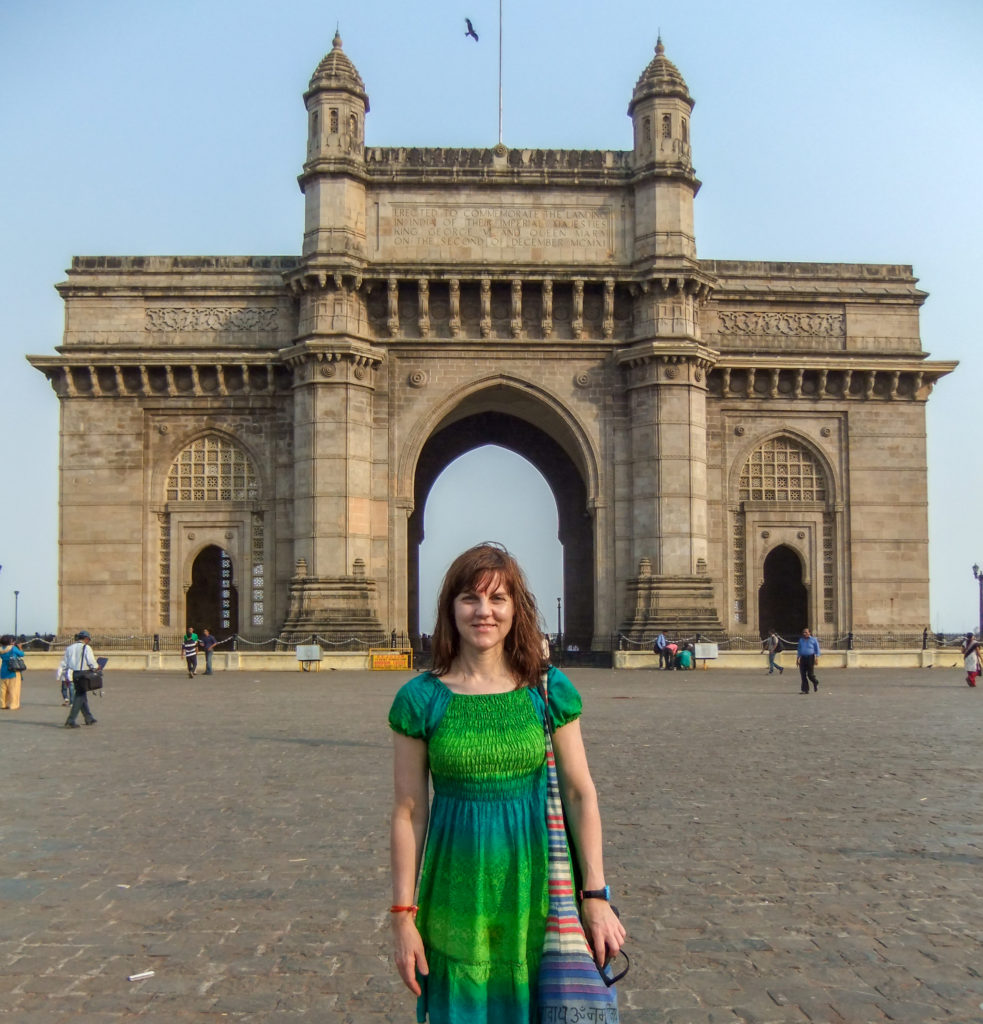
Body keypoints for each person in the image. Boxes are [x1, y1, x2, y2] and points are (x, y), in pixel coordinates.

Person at [389, 542, 625, 1023]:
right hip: (454, 897)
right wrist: (402, 916)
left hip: (537, 894)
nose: (484, 612)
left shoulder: (548, 689)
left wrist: (596, 897)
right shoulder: (419, 699)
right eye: (470, 599)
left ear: (516, 609)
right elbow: (409, 811)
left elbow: (581, 793)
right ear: (450, 608)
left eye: (497, 599)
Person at [59, 630, 100, 727]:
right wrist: (97, 667)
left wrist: (64, 674)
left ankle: (88, 717)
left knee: (82, 695)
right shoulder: (86, 647)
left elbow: (65, 663)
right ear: (86, 639)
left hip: (74, 673)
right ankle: (70, 720)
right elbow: (91, 662)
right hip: (83, 674)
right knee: (79, 696)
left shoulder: (69, 648)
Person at [0, 634, 25, 710]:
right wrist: (20, 648)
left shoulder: (1, 649)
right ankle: (13, 704)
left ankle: (2, 704)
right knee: (13, 689)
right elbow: (22, 654)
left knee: (2, 690)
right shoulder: (13, 649)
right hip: (12, 671)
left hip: (3, 671)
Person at [796, 627, 821, 694]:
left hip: (810, 657)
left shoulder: (813, 640)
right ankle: (805, 689)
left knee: (810, 674)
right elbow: (799, 649)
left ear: (809, 633)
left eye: (806, 632)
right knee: (803, 674)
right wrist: (798, 658)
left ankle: (815, 681)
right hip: (803, 658)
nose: (805, 634)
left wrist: (817, 658)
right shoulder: (801, 640)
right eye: (804, 632)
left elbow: (817, 649)